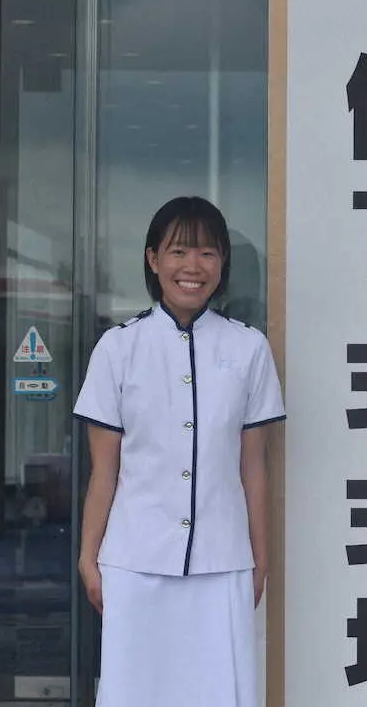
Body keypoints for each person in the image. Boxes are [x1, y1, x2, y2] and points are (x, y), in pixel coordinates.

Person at [73, 196, 285, 707]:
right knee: (135, 693)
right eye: (179, 251)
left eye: (208, 253)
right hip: (135, 561)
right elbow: (104, 471)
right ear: (153, 260)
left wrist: (259, 560)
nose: (193, 266)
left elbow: (253, 468)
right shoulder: (118, 348)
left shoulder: (249, 348)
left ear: (222, 263)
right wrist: (89, 557)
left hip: (222, 561)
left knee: (219, 694)